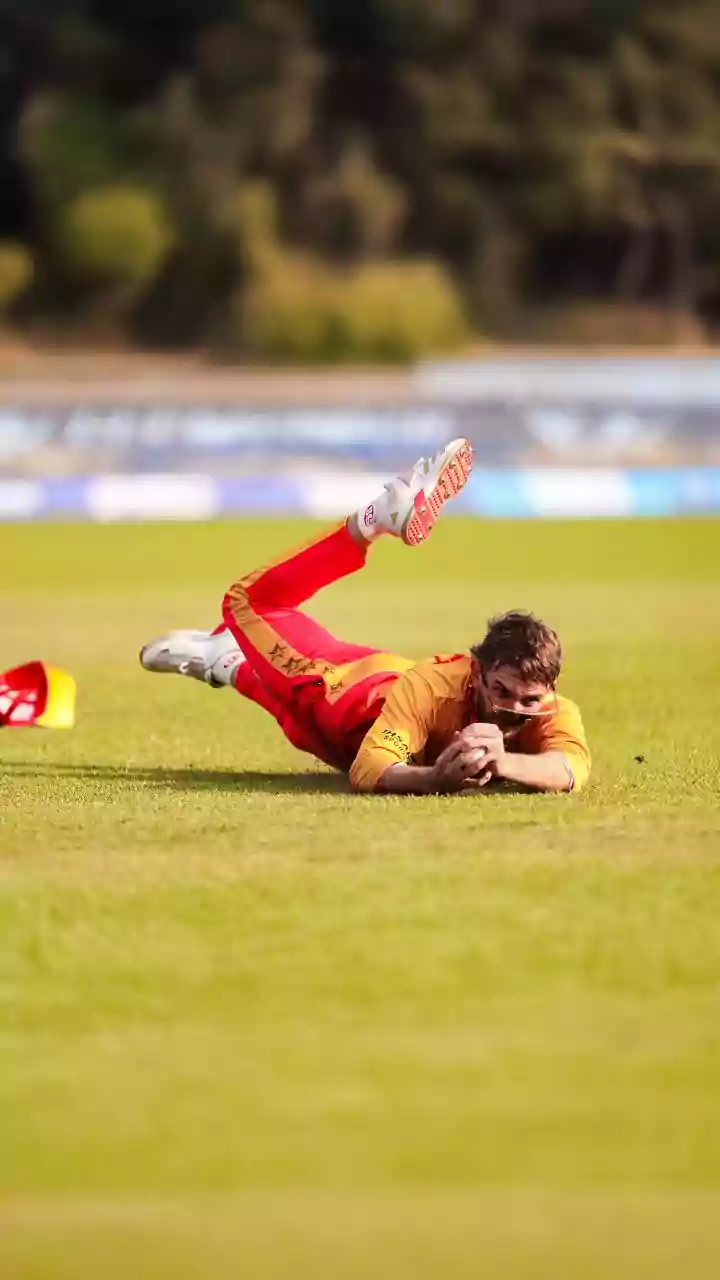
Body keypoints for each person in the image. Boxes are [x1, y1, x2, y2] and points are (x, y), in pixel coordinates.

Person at [140, 439, 591, 794]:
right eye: (502, 691)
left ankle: (223, 659)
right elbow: (370, 768)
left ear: (550, 691)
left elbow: (572, 768)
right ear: (476, 674)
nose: (514, 710)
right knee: (251, 604)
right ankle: (373, 520)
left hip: (358, 708)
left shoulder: (550, 710)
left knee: (290, 714)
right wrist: (436, 777)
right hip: (346, 690)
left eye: (529, 700)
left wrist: (504, 762)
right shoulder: (432, 690)